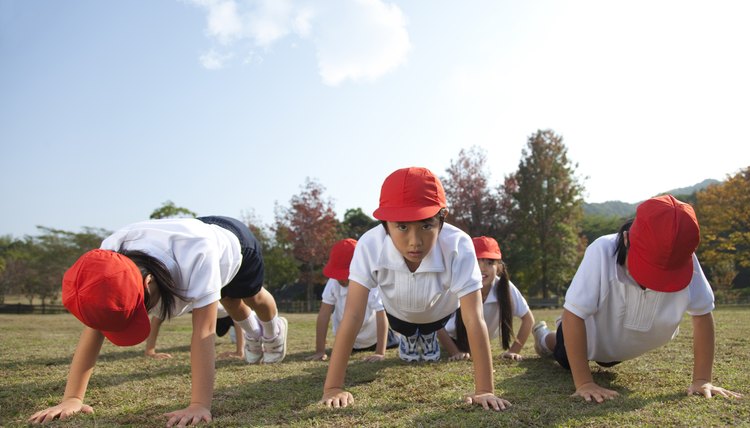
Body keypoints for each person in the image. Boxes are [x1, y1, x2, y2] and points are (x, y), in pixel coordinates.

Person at [28, 216, 288, 426]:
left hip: (233, 242)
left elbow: (204, 331)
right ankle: (253, 336)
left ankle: (272, 331)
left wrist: (199, 404)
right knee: (231, 304)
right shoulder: (105, 258)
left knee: (248, 297)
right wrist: (72, 398)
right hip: (185, 235)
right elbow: (94, 328)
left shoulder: (198, 255)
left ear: (148, 282)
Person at [320, 167, 511, 411]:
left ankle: (423, 340)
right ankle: (409, 341)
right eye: (402, 227)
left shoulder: (458, 244)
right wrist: (333, 387)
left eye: (425, 226)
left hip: (439, 318)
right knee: (408, 336)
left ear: (442, 218)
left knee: (428, 332)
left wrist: (484, 390)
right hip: (397, 318)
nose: (415, 241)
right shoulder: (370, 244)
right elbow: (354, 314)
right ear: (384, 224)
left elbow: (473, 318)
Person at [532, 195, 743, 403]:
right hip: (590, 335)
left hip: (621, 347)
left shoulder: (686, 258)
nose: (654, 282)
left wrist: (702, 379)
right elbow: (574, 315)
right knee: (562, 350)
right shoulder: (602, 250)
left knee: (606, 363)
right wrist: (585, 383)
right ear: (626, 238)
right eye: (649, 267)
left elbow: (702, 313)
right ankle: (542, 337)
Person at [438, 236, 535, 361]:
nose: (483, 268)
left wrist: (514, 351)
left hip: (478, 341)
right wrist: (455, 352)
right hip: (451, 340)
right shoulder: (458, 285)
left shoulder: (504, 287)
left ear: (499, 267)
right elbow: (438, 324)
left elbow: (528, 319)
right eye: (477, 262)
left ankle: (541, 333)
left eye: (489, 263)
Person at [306, 238, 397, 363]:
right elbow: (324, 314)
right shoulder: (333, 283)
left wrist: (380, 352)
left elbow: (381, 315)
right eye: (338, 275)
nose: (342, 280)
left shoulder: (371, 283)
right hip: (348, 341)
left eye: (346, 275)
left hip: (373, 339)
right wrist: (320, 350)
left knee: (394, 338)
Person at [144, 302, 247, 360]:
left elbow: (238, 311)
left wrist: (240, 351)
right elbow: (157, 319)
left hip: (229, 315)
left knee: (246, 329)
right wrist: (150, 351)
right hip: (211, 317)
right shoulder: (177, 298)